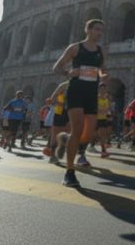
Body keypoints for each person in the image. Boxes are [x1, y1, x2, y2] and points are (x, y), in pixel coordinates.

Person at [52, 19, 108, 188]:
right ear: (88, 30)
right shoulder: (75, 47)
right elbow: (56, 67)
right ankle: (69, 172)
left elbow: (103, 69)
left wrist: (104, 75)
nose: (100, 33)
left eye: (101, 30)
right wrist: (69, 72)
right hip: (76, 91)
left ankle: (65, 139)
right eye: (97, 29)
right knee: (77, 129)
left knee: (88, 134)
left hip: (92, 93)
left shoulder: (101, 51)